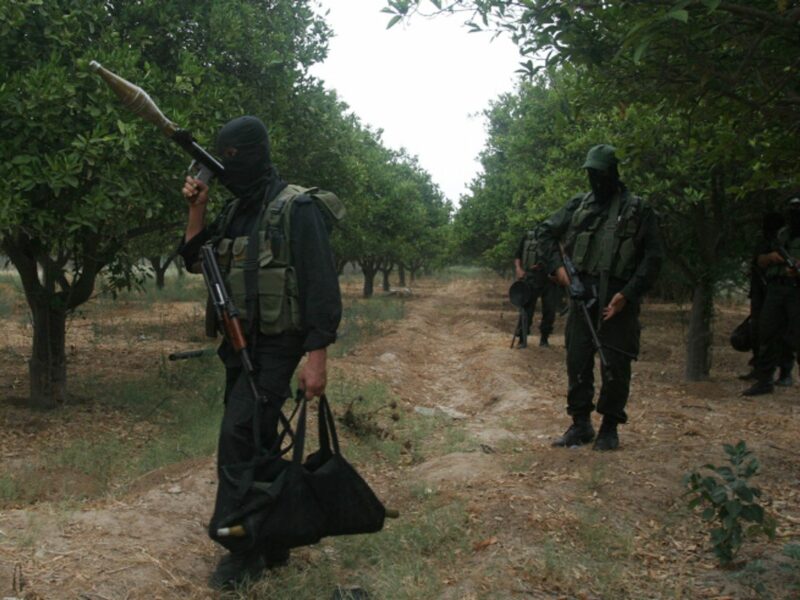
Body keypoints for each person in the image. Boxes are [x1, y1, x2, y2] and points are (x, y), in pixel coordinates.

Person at [178, 116, 343, 588]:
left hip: (278, 346)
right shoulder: (235, 211)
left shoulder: (297, 207)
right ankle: (273, 542)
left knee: (237, 438)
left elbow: (321, 288)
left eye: (232, 159)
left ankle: (240, 548)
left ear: (255, 154)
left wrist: (317, 360)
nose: (227, 168)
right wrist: (197, 209)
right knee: (261, 438)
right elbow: (193, 259)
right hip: (237, 346)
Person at [539, 144, 663, 451]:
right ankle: (581, 424)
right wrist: (559, 271)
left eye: (600, 174)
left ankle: (610, 426)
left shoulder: (638, 209)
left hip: (618, 298)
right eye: (590, 174)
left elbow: (654, 258)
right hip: (581, 295)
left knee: (615, 364)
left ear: (613, 173)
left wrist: (627, 295)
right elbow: (544, 233)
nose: (595, 181)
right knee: (577, 360)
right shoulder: (579, 205)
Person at [742, 197, 800, 396]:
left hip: (796, 290)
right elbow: (759, 260)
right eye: (792, 210)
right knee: (767, 332)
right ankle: (764, 380)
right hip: (775, 289)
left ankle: (786, 373)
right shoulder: (781, 235)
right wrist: (771, 258)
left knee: (794, 336)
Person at [513, 224, 558, 348]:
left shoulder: (555, 238)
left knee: (549, 310)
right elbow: (517, 256)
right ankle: (522, 339)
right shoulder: (528, 236)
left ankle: (544, 339)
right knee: (527, 309)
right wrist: (519, 269)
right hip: (531, 277)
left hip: (550, 279)